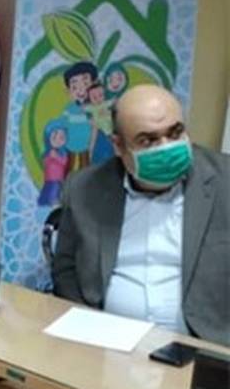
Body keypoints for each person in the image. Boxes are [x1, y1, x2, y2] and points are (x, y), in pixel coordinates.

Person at [52, 84, 228, 344]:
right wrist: (87, 330)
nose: (166, 147)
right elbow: (65, 268)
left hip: (203, 347)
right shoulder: (84, 189)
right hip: (105, 344)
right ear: (118, 146)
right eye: (148, 140)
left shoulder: (224, 182)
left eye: (175, 133)